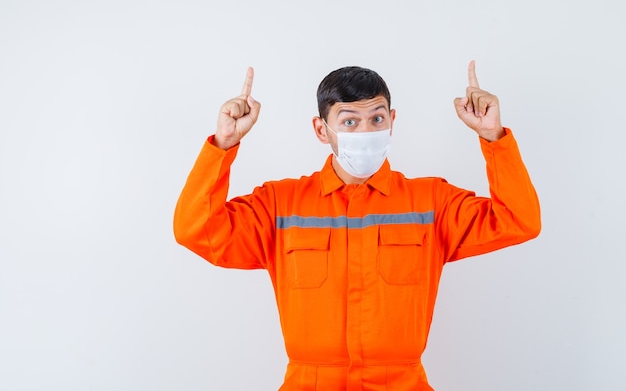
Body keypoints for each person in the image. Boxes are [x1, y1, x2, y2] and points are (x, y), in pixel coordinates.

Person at [173, 62, 541, 391]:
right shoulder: (279, 205)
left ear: (392, 121)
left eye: (376, 119)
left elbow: (518, 220)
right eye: (350, 121)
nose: (365, 130)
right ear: (322, 130)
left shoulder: (431, 203)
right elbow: (197, 230)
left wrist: (493, 138)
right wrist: (223, 145)